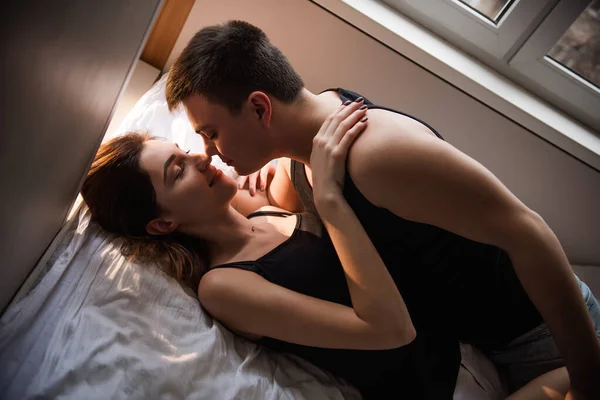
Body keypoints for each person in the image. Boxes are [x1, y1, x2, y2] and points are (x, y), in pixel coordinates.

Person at [165, 20, 600, 398]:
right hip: (481, 342)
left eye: (212, 133)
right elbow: (271, 221)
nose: (210, 152)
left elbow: (530, 232)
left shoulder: (374, 156)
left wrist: (586, 382)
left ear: (260, 108)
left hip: (548, 342)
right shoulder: (300, 158)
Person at [84, 104, 576, 399]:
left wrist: (270, 161)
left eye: (184, 149)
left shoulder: (266, 211)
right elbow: (389, 329)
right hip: (443, 388)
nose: (201, 157)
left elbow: (280, 141)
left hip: (470, 343)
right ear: (163, 223)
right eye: (178, 171)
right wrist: (333, 204)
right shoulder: (224, 285)